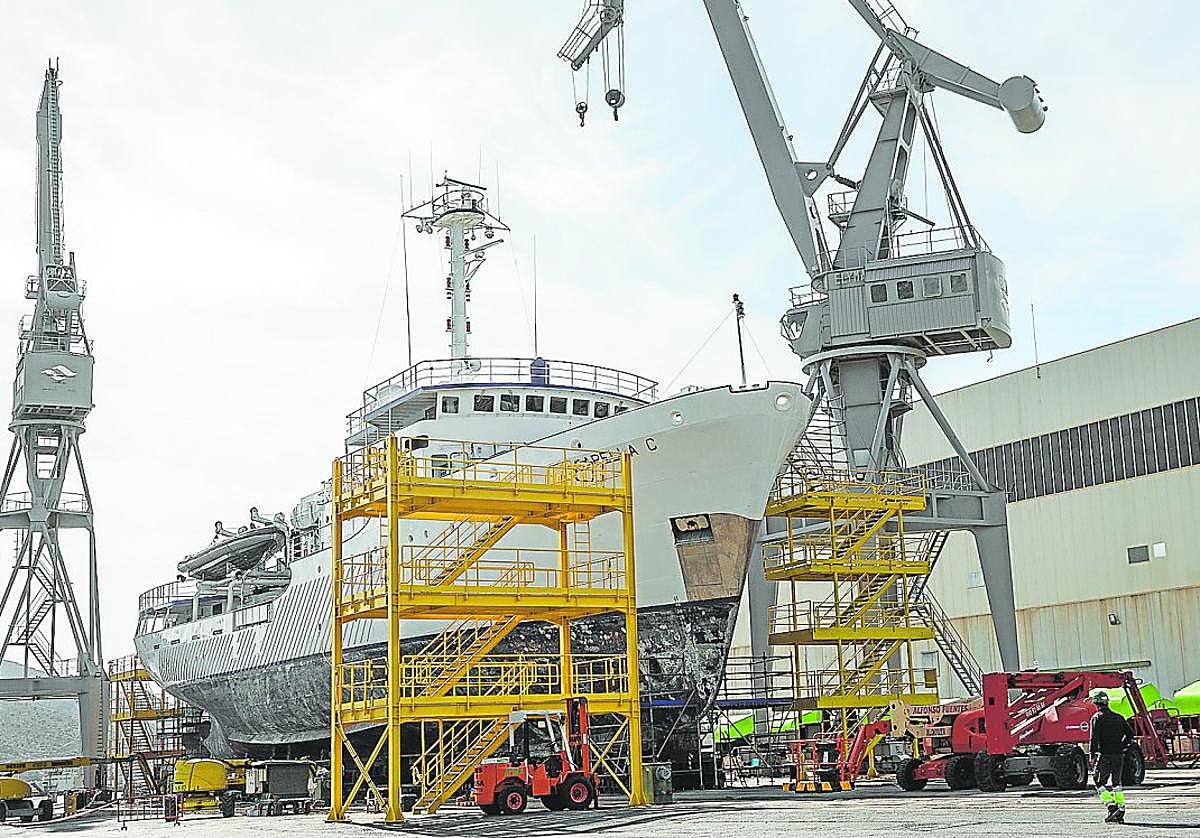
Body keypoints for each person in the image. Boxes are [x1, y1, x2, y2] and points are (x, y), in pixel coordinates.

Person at [1090, 690, 1134, 824]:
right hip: (1119, 755)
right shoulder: (1119, 717)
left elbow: (1094, 738)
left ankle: (1111, 805)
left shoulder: (1097, 717)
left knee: (1098, 781)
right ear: (1106, 702)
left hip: (1104, 755)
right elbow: (1130, 734)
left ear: (1096, 704)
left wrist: (1092, 755)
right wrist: (1122, 746)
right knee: (1116, 783)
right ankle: (1121, 808)